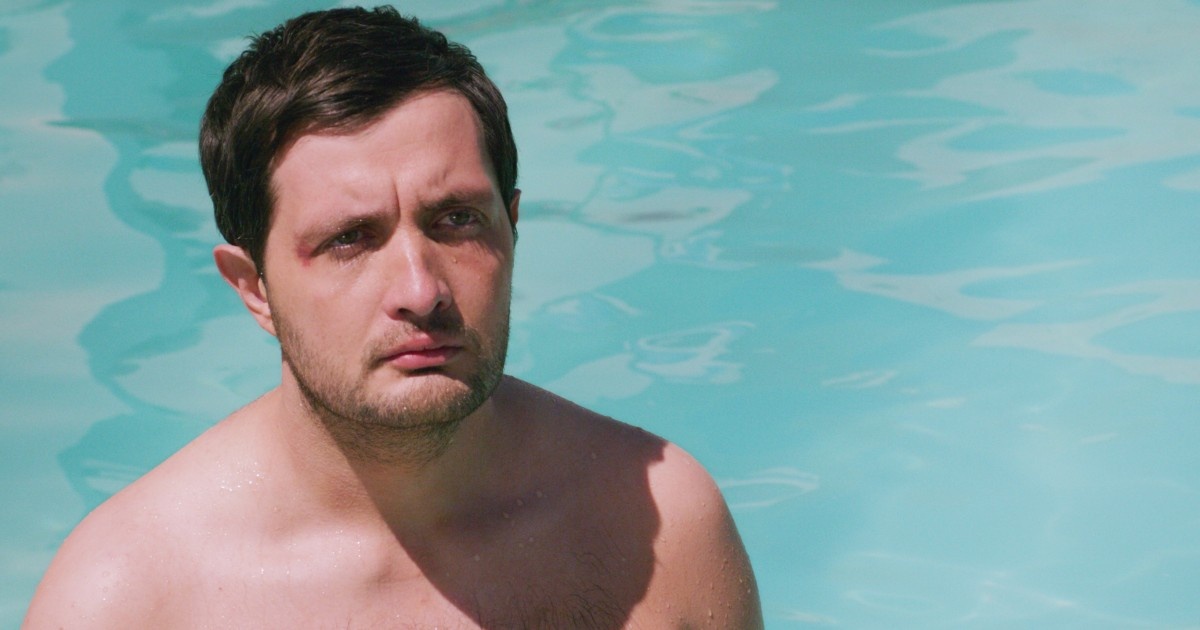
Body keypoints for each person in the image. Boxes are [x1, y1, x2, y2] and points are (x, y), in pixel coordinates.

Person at [24, 6, 761, 628]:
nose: (419, 289)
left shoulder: (659, 527)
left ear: (512, 228)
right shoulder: (128, 600)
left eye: (457, 220)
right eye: (350, 239)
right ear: (254, 289)